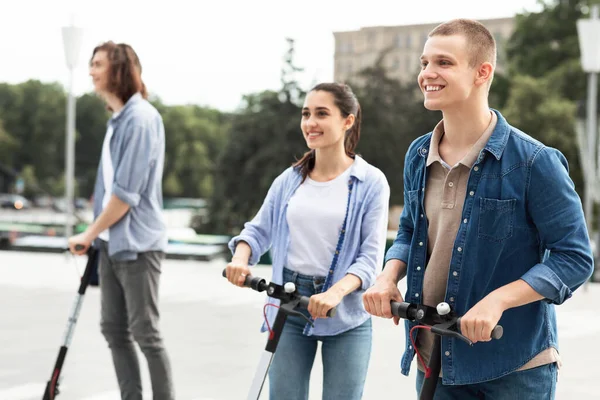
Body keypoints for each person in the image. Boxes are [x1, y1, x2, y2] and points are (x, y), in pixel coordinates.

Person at [363, 19, 594, 399]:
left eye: (444, 63)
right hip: (434, 354)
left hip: (513, 366)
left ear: (482, 72)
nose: (427, 74)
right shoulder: (418, 154)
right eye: (424, 63)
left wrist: (497, 300)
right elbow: (410, 230)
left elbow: (574, 258)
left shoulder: (535, 162)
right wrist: (388, 277)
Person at [225, 82, 390, 400]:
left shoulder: (371, 182)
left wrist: (335, 292)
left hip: (344, 310)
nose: (310, 123)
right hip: (288, 301)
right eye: (306, 114)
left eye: (321, 114)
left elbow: (370, 258)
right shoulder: (289, 180)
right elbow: (258, 230)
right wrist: (240, 259)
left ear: (347, 120)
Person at [68, 41, 174, 400]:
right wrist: (98, 236)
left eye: (98, 64)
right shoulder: (118, 120)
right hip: (113, 242)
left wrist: (88, 233)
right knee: (113, 329)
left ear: (119, 70)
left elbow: (126, 195)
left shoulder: (142, 120)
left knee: (146, 332)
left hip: (138, 245)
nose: (91, 71)